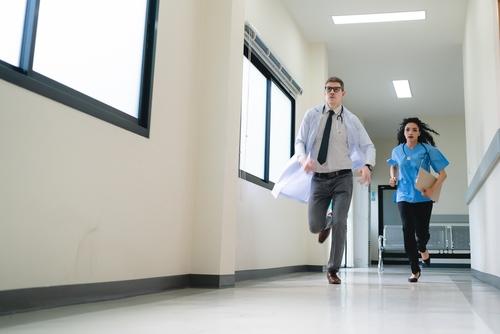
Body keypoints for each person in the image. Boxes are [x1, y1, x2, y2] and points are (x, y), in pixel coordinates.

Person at [295, 76, 376, 284]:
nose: (332, 92)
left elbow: (368, 146)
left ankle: (332, 269)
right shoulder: (312, 115)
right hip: (319, 179)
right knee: (314, 226)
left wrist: (367, 165)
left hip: (343, 178)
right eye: (328, 89)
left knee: (341, 222)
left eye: (336, 89)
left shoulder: (352, 120)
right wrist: (303, 159)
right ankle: (326, 222)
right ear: (324, 92)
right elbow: (300, 141)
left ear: (343, 93)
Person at [387, 117, 449, 283]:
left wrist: (432, 189)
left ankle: (422, 247)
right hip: (403, 196)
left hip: (423, 196)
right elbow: (393, 165)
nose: (411, 132)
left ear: (419, 133)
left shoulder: (428, 150)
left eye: (414, 129)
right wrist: (393, 177)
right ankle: (415, 269)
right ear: (404, 133)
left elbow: (443, 174)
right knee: (407, 230)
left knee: (422, 233)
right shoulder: (397, 151)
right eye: (408, 129)